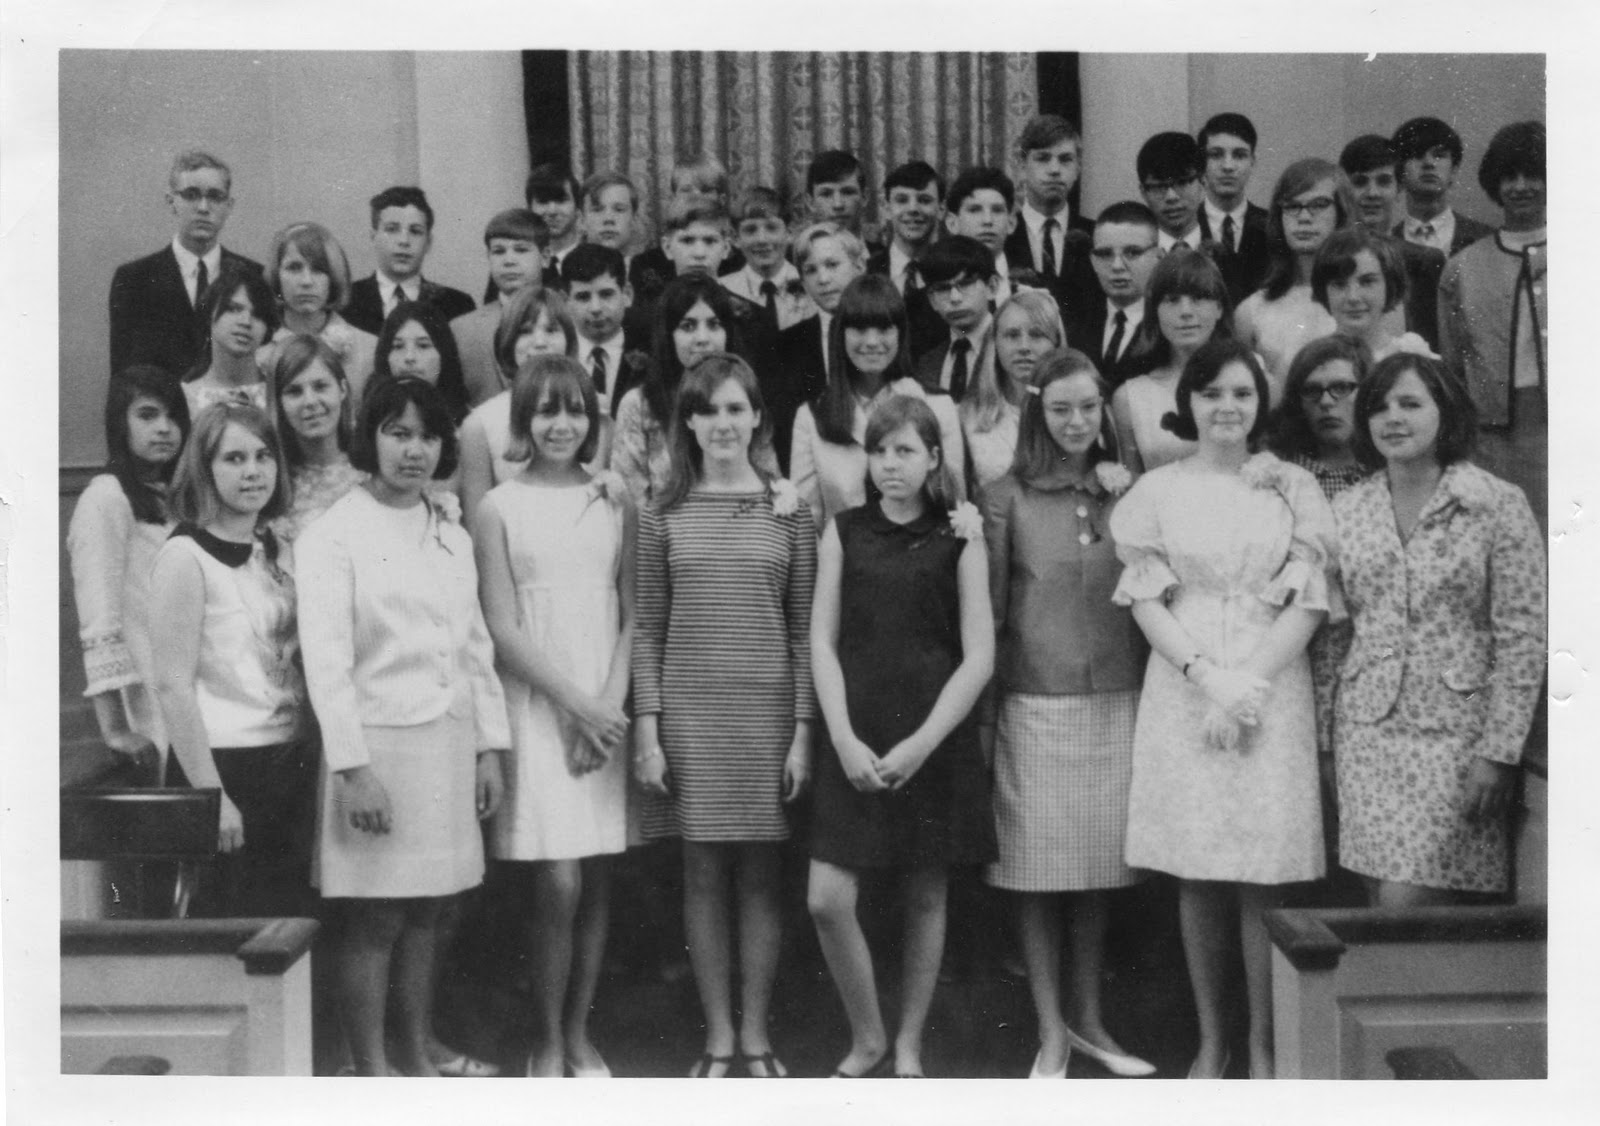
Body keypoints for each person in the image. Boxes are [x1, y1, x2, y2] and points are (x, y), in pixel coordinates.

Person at [1110, 338, 1337, 1080]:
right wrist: (1210, 679)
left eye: (1242, 393)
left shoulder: (1292, 486)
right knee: (1199, 868)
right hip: (1187, 681)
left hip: (1271, 679)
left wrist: (1248, 686)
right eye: (1211, 394)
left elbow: (1309, 598)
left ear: (1261, 402)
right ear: (1190, 403)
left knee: (1262, 870)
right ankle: (1214, 1039)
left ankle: (1265, 1044)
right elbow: (1145, 598)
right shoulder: (1158, 491)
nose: (1227, 407)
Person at [295, 377, 509, 1077]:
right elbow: (326, 664)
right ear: (372, 437)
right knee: (377, 917)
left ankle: (415, 1058)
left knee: (430, 911)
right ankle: (372, 1070)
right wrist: (354, 771)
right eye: (398, 433)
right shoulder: (333, 535)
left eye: (428, 436)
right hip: (376, 751)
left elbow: (474, 645)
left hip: (446, 746)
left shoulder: (449, 530)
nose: (415, 450)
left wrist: (487, 748)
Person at [631, 354, 817, 1079]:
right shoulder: (661, 510)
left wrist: (803, 733)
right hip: (691, 717)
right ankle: (717, 1034)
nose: (722, 423)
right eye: (707, 410)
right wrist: (649, 730)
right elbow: (650, 628)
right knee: (703, 874)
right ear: (687, 422)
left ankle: (757, 1032)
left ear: (758, 417)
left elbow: (803, 630)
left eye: (736, 408)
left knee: (762, 877)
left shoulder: (787, 509)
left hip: (767, 717)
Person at [808, 395, 995, 1080]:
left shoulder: (960, 534)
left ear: (934, 458)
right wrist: (841, 737)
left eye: (906, 451)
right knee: (827, 898)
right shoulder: (844, 530)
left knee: (925, 893)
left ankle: (910, 1042)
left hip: (930, 736)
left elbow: (979, 655)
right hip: (854, 732)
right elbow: (821, 642)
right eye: (880, 450)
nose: (891, 464)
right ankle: (868, 1037)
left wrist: (923, 743)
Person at [981, 349, 1155, 1081]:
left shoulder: (1127, 491)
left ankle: (1088, 1018)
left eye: (1088, 407)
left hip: (1116, 699)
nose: (1076, 421)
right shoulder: (1006, 497)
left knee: (1096, 871)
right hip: (1033, 704)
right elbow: (990, 616)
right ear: (1038, 413)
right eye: (1060, 408)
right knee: (1035, 873)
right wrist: (986, 721)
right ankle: (1050, 1030)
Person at [475, 355, 637, 1078]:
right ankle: (544, 1037)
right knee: (558, 881)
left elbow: (634, 614)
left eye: (574, 410)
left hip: (605, 706)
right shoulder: (498, 507)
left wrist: (606, 709)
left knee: (595, 877)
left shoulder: (614, 499)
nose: (561, 424)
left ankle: (578, 1033)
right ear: (524, 421)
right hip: (541, 709)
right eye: (545, 411)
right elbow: (501, 627)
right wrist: (577, 709)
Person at [1333, 354, 1544, 905]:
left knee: (1406, 904)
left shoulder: (1496, 504)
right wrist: (1324, 746)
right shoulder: (1348, 509)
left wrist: (1499, 753)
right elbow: (1335, 634)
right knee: (1379, 902)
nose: (1392, 418)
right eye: (1378, 407)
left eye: (1410, 403)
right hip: (1366, 734)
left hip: (1458, 740)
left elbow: (1523, 638)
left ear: (1444, 412)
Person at [149, 402, 315, 918]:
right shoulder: (184, 556)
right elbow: (172, 686)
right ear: (205, 468)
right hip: (223, 767)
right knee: (233, 928)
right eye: (234, 458)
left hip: (287, 759)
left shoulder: (277, 548)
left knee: (291, 927)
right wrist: (213, 795)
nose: (253, 471)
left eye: (264, 456)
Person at [1265, 335, 1372, 810]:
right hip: (1299, 649)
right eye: (1313, 391)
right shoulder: (1282, 477)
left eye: (1342, 388)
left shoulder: (1387, 473)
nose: (1327, 402)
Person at [69, 366, 191, 769]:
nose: (164, 428)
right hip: (145, 690)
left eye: (173, 416)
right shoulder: (105, 498)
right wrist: (116, 730)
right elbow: (98, 617)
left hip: (186, 678)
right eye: (148, 415)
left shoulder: (171, 496)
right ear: (120, 423)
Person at [792, 274, 967, 531]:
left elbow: (954, 505)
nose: (872, 342)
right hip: (842, 554)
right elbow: (807, 520)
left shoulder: (938, 406)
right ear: (841, 335)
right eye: (860, 330)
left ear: (900, 334)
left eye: (884, 329)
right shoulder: (812, 416)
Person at [1437, 120, 1547, 532]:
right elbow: (1452, 364)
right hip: (1490, 433)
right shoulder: (1463, 268)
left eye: (1532, 175)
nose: (1520, 187)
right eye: (1509, 176)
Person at [610, 274, 774, 507]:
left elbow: (769, 483)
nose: (702, 339)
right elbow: (628, 500)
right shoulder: (639, 404)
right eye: (688, 326)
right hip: (661, 528)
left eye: (714, 325)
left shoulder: (744, 396)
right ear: (669, 335)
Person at [1233, 159, 1400, 386]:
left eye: (1319, 204)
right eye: (1292, 206)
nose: (1304, 218)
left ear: (1341, 210)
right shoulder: (1251, 310)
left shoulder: (1371, 297)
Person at [109, 150, 263, 378]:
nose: (203, 207)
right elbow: (124, 377)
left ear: (229, 206)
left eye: (215, 196)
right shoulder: (134, 280)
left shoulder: (254, 276)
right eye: (191, 195)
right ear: (171, 202)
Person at [458, 289, 582, 527]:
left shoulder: (592, 412)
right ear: (508, 342)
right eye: (525, 331)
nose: (539, 342)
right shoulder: (480, 424)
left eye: (551, 330)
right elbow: (478, 528)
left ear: (569, 339)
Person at [1111, 249, 1233, 473]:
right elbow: (1133, 483)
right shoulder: (1130, 398)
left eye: (1198, 298)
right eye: (1172, 300)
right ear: (1155, 312)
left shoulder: (1251, 379)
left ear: (1219, 308)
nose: (1186, 312)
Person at [767, 225, 869, 470]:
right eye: (810, 270)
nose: (823, 279)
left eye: (832, 265)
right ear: (802, 280)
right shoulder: (784, 346)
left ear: (858, 266)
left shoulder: (885, 333)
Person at [1337, 134, 1446, 351]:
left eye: (1383, 181)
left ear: (1399, 188)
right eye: (1360, 182)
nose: (1372, 193)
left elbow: (1432, 347)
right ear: (1345, 191)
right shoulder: (1330, 259)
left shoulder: (1424, 262)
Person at [258, 222, 378, 407]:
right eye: (294, 268)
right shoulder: (260, 349)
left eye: (319, 270)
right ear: (276, 275)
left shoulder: (369, 349)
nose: (306, 281)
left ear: (334, 277)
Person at [962, 289, 1065, 492]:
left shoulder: (1078, 412)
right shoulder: (969, 415)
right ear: (995, 343)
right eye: (1012, 335)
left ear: (1056, 343)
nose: (1024, 346)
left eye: (1037, 335)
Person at [268, 335, 363, 548]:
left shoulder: (372, 470)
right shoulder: (271, 482)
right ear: (279, 402)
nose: (310, 401)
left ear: (342, 389)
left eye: (320, 386)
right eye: (294, 391)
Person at [343, 186, 475, 337]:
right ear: (373, 237)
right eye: (392, 229)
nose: (404, 241)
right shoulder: (345, 301)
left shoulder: (457, 305)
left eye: (415, 231)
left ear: (428, 242)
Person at [452, 208, 549, 409]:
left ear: (545, 256)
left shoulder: (566, 318)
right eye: (498, 251)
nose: (509, 260)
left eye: (521, 250)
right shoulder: (462, 329)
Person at [1004, 114, 1096, 316]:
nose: (1054, 170)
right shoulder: (1002, 236)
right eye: (1043, 158)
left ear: (1078, 168)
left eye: (1065, 159)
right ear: (1022, 165)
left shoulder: (1096, 236)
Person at [627, 154, 745, 305]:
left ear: (722, 200)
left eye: (706, 190)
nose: (697, 198)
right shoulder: (646, 264)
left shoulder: (740, 263)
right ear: (673, 198)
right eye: (687, 191)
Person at [1070, 201, 1164, 386]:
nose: (1117, 266)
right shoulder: (1076, 323)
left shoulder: (1168, 327)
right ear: (1093, 261)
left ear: (1159, 258)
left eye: (1132, 252)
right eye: (1105, 254)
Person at [1311, 227, 1434, 362]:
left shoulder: (1412, 357)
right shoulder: (1314, 361)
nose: (1353, 297)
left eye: (1367, 282)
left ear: (1390, 285)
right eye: (1339, 285)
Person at [180, 263, 276, 418]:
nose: (246, 321)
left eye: (258, 315)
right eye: (234, 309)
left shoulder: (281, 393)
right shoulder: (184, 398)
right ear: (210, 314)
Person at [1390, 116, 1496, 256]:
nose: (1429, 163)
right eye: (1417, 155)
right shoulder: (1385, 245)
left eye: (1439, 155)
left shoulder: (1486, 239)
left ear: (1453, 170)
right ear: (1400, 171)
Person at [1195, 113, 1272, 304]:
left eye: (1239, 155)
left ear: (1252, 161)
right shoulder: (1187, 225)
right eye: (1216, 155)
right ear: (1201, 162)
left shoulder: (1273, 226)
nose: (1228, 166)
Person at [912, 235, 1000, 402]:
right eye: (943, 288)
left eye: (966, 284)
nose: (955, 298)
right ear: (932, 300)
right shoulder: (927, 363)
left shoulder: (1009, 349)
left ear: (992, 287)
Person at [565, 244, 649, 417]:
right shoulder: (560, 353)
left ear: (627, 294)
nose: (595, 308)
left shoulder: (650, 353)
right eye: (583, 297)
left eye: (606, 294)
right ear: (567, 302)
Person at [721, 188, 816, 333]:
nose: (762, 239)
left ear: (789, 232)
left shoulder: (810, 286)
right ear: (735, 238)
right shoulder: (722, 290)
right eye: (750, 230)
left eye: (771, 228)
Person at [372, 300, 472, 428]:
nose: (409, 357)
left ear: (444, 354)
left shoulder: (471, 425)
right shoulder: (368, 421)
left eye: (423, 346)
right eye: (398, 346)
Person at [942, 168, 1023, 306]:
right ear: (952, 223)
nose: (987, 220)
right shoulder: (936, 286)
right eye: (975, 210)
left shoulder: (1041, 285)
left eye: (997, 210)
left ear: (1011, 223)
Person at [867, 160, 944, 297]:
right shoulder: (866, 271)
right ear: (886, 208)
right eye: (902, 200)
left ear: (941, 209)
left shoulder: (953, 271)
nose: (913, 209)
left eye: (924, 200)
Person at [1137, 132, 1206, 254]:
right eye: (1159, 187)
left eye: (1182, 183)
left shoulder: (1227, 246)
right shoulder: (1137, 252)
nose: (1171, 197)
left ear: (1202, 182)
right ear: (1143, 192)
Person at [526, 164, 584, 285]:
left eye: (561, 200)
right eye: (543, 201)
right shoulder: (517, 266)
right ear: (529, 209)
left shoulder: (597, 260)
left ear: (577, 208)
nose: (552, 211)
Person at [580, 171, 644, 275]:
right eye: (597, 210)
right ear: (581, 220)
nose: (608, 219)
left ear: (634, 220)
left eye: (619, 210)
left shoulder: (648, 278)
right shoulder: (564, 277)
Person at [805, 149, 868, 236]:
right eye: (826, 194)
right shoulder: (796, 245)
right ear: (810, 202)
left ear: (864, 197)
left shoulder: (883, 244)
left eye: (848, 192)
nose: (838, 205)